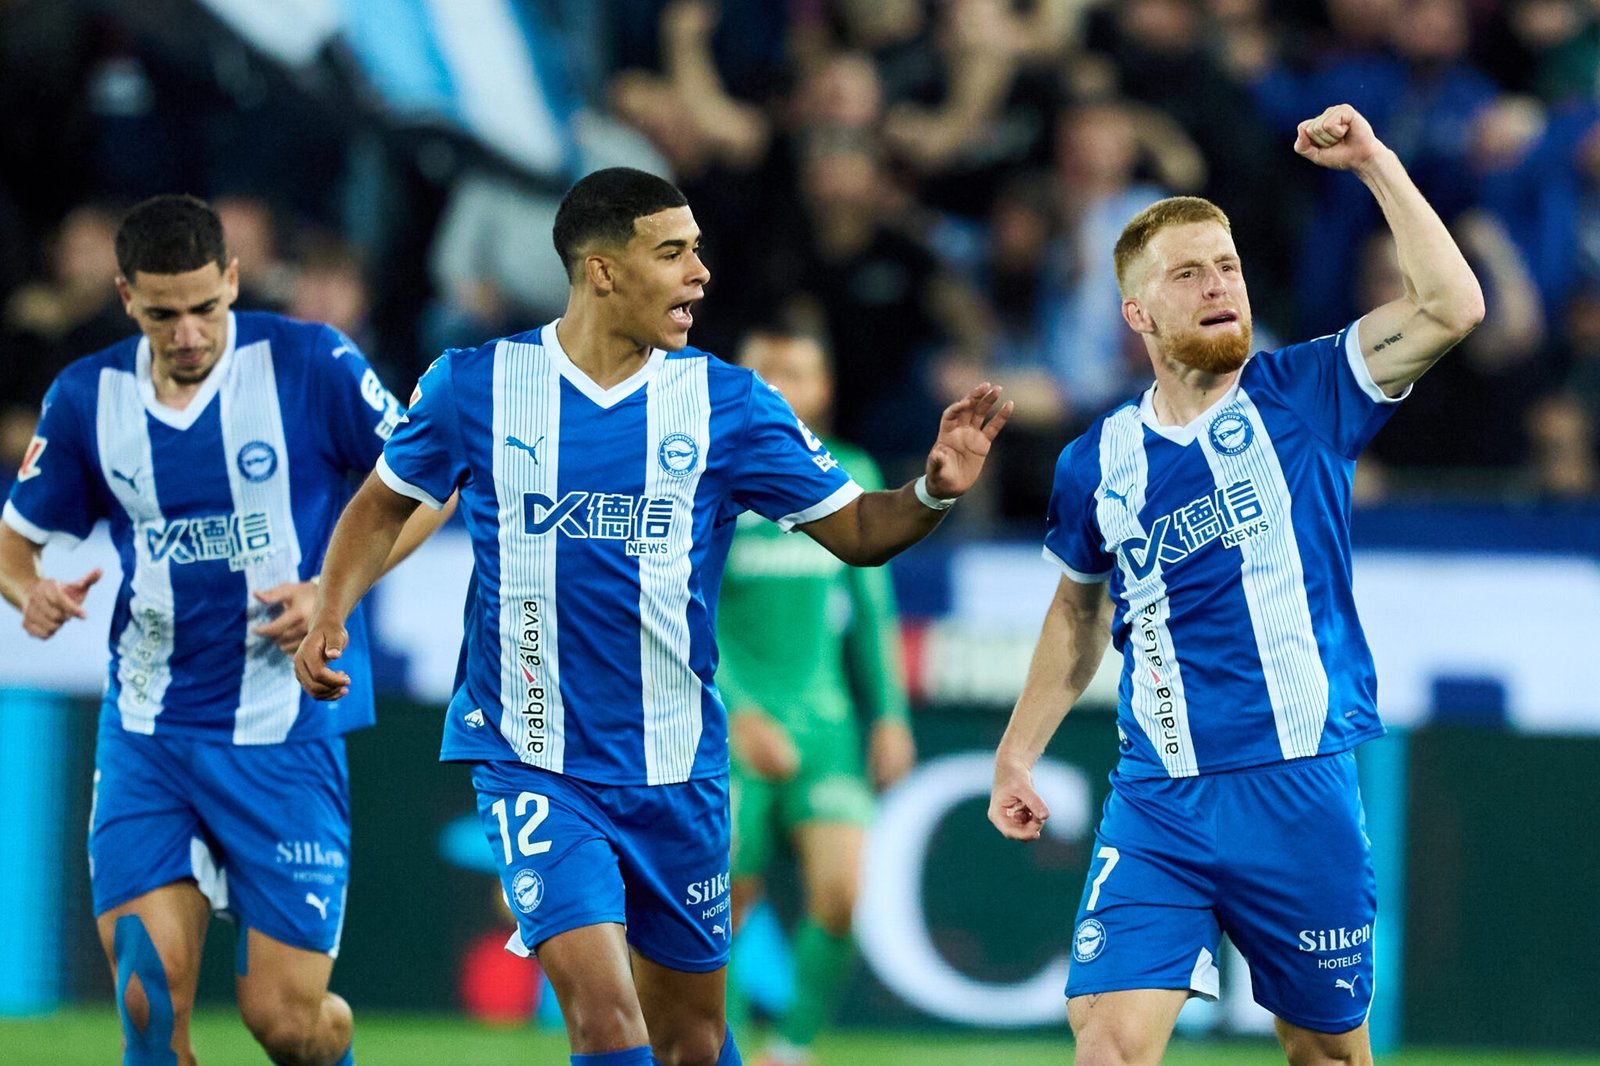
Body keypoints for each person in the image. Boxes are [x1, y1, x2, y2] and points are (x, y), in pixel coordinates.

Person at [293, 166, 1010, 1066]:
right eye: (673, 253)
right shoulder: (475, 385)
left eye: (699, 251)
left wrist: (932, 490)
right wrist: (331, 610)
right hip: (532, 759)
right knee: (607, 1022)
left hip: (678, 770)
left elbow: (862, 531)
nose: (700, 274)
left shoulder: (730, 405)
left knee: (694, 1043)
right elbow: (385, 501)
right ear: (601, 271)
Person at [987, 103, 1483, 1066]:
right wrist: (1018, 754)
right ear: (1138, 313)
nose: (1219, 285)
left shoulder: (1305, 393)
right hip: (1157, 794)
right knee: (1109, 1051)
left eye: (1229, 267)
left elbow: (1454, 307)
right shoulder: (1098, 461)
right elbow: (1079, 612)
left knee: (1326, 1053)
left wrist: (1377, 163)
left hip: (1297, 786)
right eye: (1188, 274)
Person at [0, 194, 446, 1066]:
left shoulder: (311, 363)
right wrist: (29, 594)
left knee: (287, 1025)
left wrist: (331, 589)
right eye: (164, 314)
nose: (190, 333)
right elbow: (15, 543)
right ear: (127, 298)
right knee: (145, 998)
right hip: (149, 728)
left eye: (206, 308)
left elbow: (431, 483)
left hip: (283, 733)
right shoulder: (87, 398)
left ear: (234, 280)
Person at [716, 329, 915, 1066]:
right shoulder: (714, 478)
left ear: (821, 388)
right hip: (736, 728)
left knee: (841, 896)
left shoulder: (850, 473)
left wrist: (889, 716)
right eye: (763, 371)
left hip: (825, 724)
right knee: (724, 909)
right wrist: (736, 712)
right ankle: (724, 1050)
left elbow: (873, 615)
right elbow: (684, 619)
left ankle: (790, 1047)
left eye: (794, 372)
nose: (777, 385)